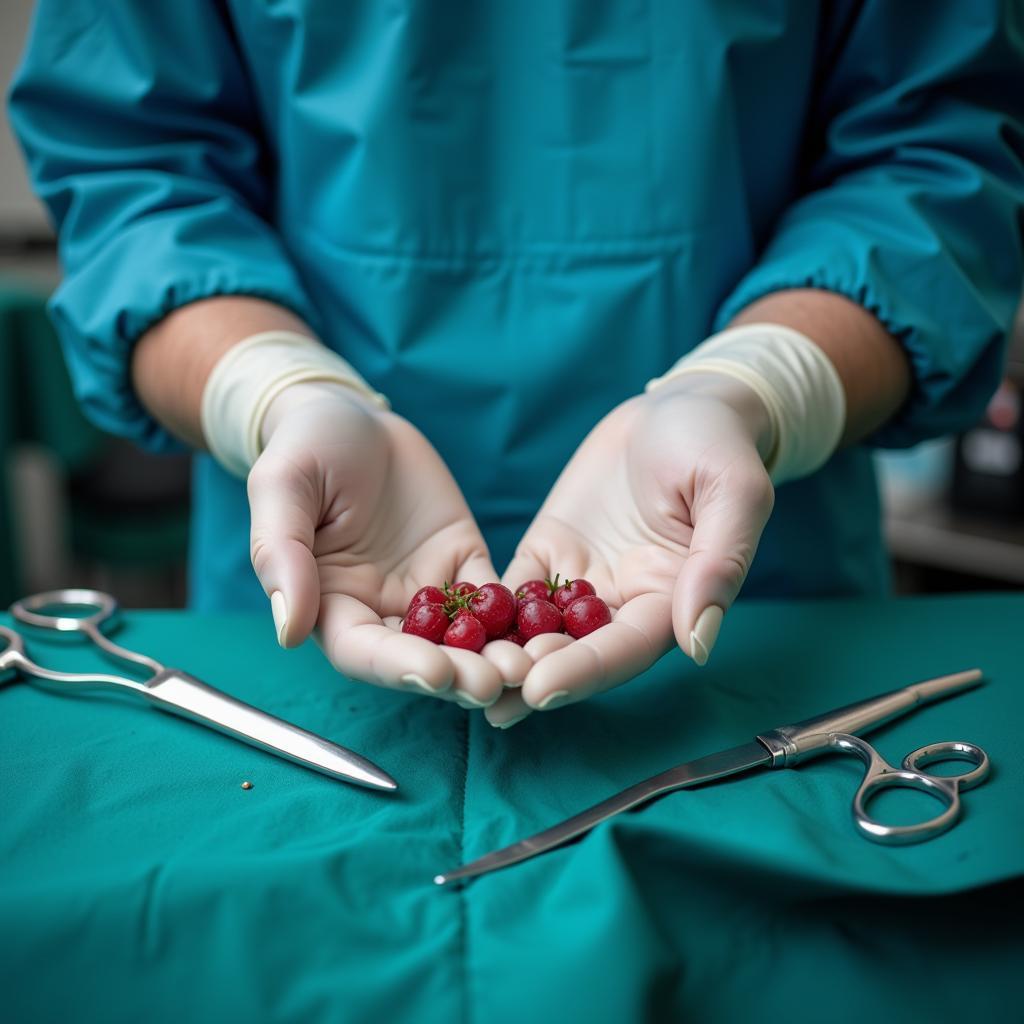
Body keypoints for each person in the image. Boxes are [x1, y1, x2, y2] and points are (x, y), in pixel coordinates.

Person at [10, 2, 1023, 728]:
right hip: (311, 594)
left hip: (761, 593)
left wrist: (756, 385)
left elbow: (932, 159)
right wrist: (276, 389)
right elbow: (136, 173)